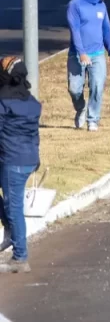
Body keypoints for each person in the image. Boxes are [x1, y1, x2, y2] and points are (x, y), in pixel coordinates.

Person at [0, 56, 41, 274]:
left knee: (14, 207)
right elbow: (35, 134)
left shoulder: (3, 102)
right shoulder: (32, 103)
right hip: (29, 159)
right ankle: (9, 230)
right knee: (11, 206)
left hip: (12, 161)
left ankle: (20, 256)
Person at [67, 0, 110, 132]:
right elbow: (74, 30)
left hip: (97, 54)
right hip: (77, 55)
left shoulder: (102, 7)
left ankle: (93, 119)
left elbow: (106, 29)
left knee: (97, 86)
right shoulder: (75, 5)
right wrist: (82, 53)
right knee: (74, 89)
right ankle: (81, 107)